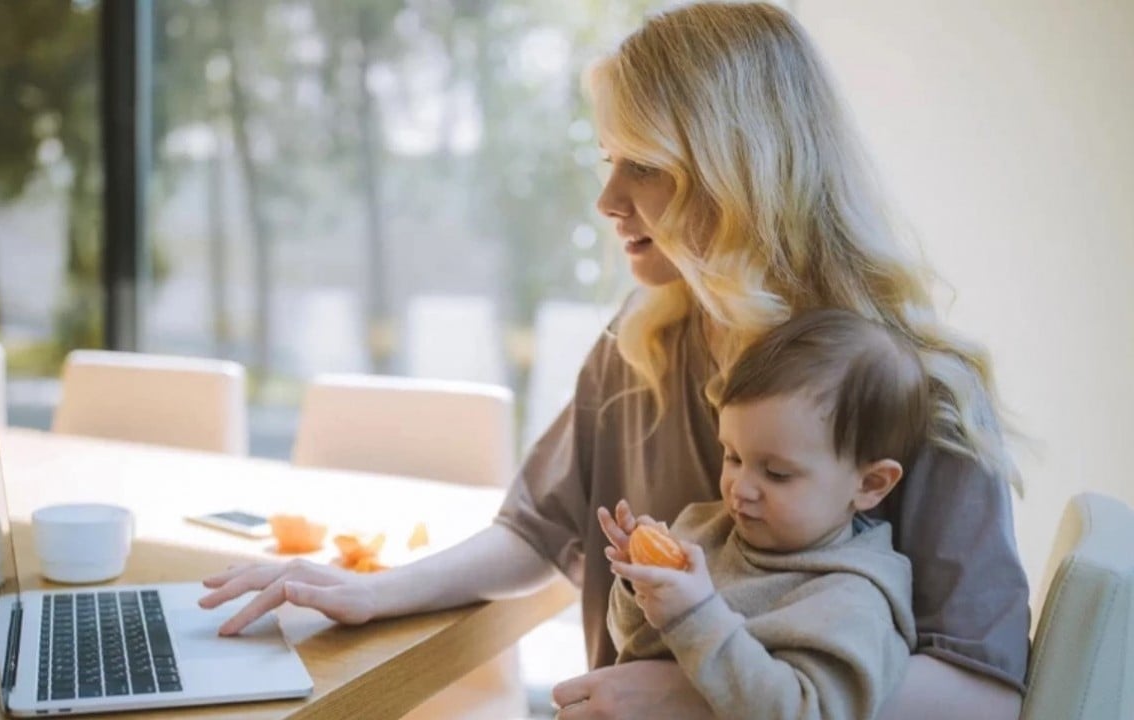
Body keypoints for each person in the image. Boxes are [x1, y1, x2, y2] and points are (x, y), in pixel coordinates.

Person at [198, 3, 1030, 718]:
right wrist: (375, 591)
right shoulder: (644, 336)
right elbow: (538, 530)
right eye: (608, 162)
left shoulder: (918, 388)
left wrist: (705, 695)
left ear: (740, 174)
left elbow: (986, 690)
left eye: (646, 167)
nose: (607, 202)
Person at [601, 309, 927, 719]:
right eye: (733, 456)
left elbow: (802, 712)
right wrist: (640, 585)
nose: (740, 487)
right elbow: (633, 644)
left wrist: (694, 616)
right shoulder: (704, 529)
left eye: (776, 473)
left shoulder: (852, 601)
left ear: (870, 484)